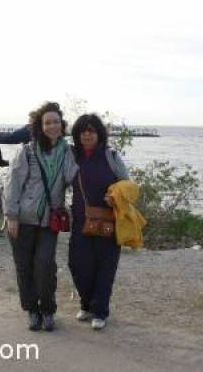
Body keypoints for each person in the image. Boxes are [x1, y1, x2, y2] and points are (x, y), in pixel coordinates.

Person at [5, 102, 78, 332]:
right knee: (24, 266)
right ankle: (32, 310)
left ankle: (48, 309)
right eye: (47, 122)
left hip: (49, 220)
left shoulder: (67, 151)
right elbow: (12, 184)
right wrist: (12, 216)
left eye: (56, 122)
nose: (52, 126)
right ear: (40, 125)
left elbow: (72, 177)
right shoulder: (26, 151)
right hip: (23, 218)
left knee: (45, 265)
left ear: (61, 125)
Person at [68, 113, 129, 330]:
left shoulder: (111, 155)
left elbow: (128, 185)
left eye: (91, 129)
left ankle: (100, 311)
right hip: (80, 222)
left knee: (105, 268)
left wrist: (115, 195)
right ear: (77, 134)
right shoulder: (72, 155)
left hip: (109, 221)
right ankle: (87, 303)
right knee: (77, 265)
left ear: (99, 133)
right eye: (83, 130)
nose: (87, 133)